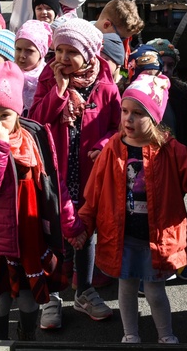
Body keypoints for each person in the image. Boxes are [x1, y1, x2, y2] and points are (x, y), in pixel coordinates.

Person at [78, 74, 187, 345]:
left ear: (155, 117)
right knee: (127, 288)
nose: (127, 120)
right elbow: (94, 192)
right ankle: (130, 334)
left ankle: (165, 334)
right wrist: (84, 223)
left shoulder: (172, 150)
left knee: (156, 291)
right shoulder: (113, 148)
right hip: (123, 236)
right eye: (124, 111)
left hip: (156, 239)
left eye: (137, 113)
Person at [0, 62, 76, 341]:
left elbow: (50, 182)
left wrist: (66, 219)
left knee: (29, 298)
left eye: (4, 115)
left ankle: (26, 339)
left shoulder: (31, 136)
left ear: (18, 113)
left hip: (29, 236)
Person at [29, 20, 120, 330]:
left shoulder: (105, 86)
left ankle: (84, 291)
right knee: (54, 232)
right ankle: (52, 296)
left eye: (72, 53)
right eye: (59, 51)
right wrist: (59, 92)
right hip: (55, 173)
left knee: (85, 232)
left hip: (89, 175)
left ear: (90, 55)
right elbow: (37, 120)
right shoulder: (48, 79)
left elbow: (117, 128)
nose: (63, 59)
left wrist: (104, 144)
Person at [15, 20, 52, 115]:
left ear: (41, 53)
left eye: (29, 51)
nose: (22, 55)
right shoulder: (8, 73)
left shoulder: (47, 78)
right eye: (18, 49)